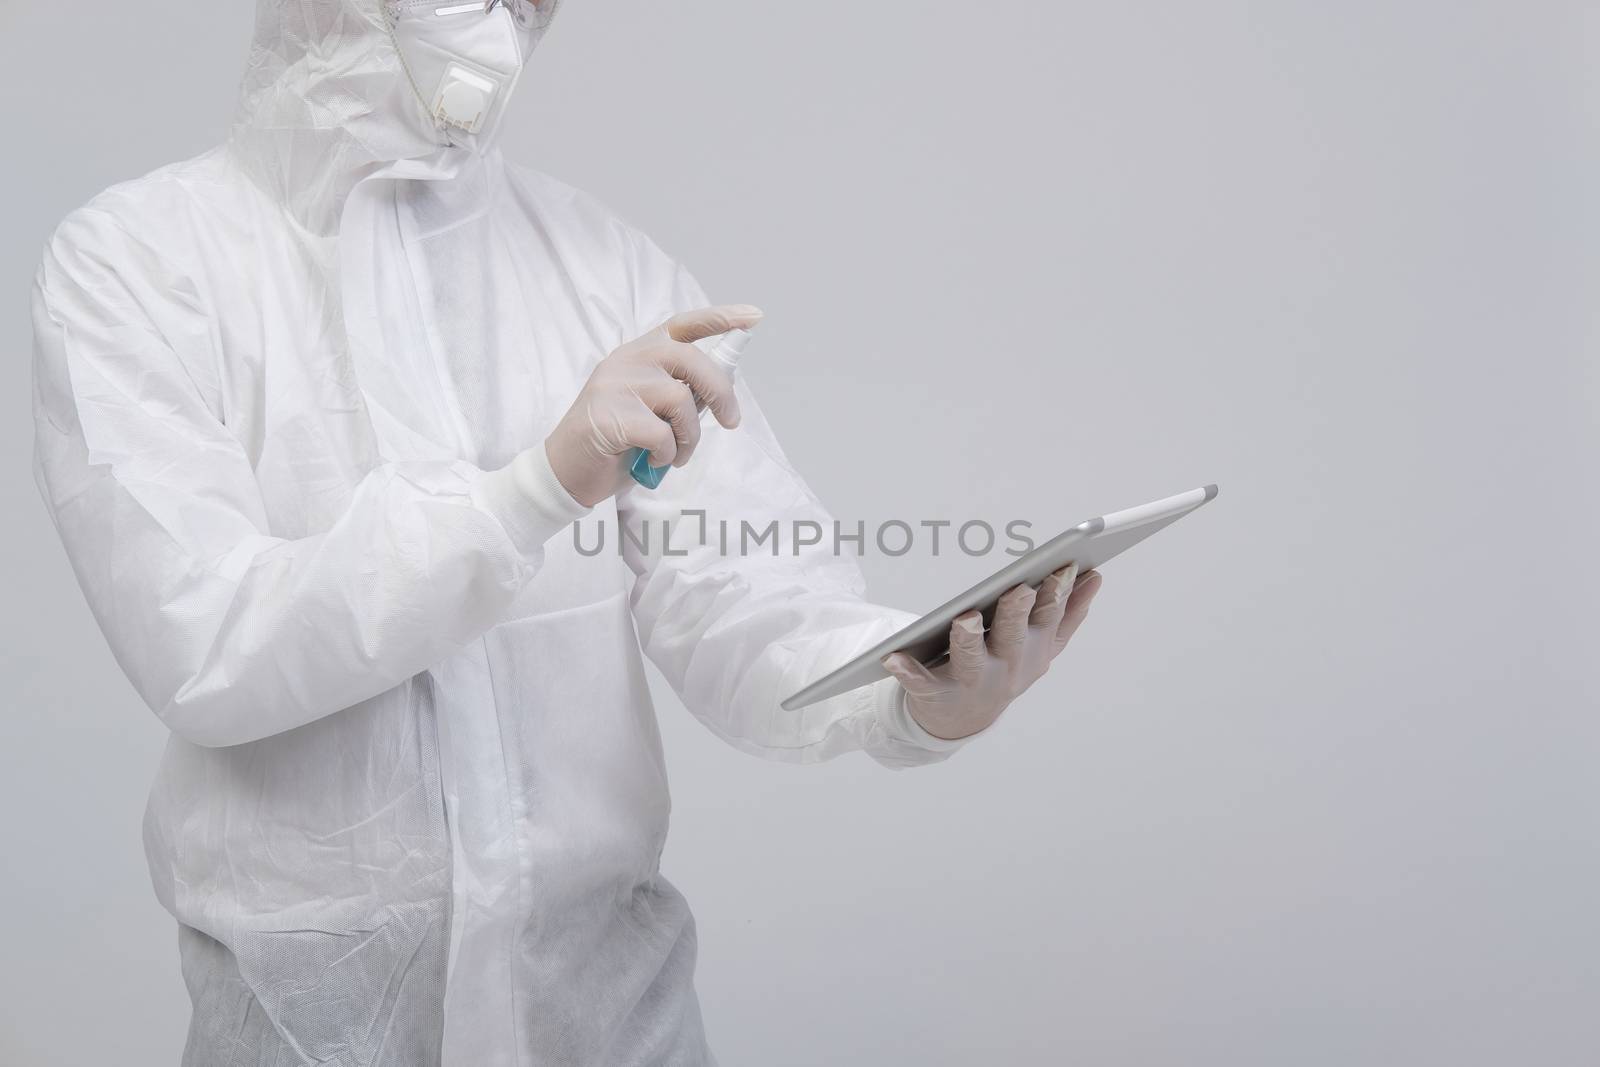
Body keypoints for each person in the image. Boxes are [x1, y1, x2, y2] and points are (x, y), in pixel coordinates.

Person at [30, 1, 1103, 1062]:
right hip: (314, 1029)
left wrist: (908, 689)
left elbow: (745, 595)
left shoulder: (602, 266)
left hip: (612, 1017)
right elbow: (210, 646)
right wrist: (537, 488)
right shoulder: (139, 265)